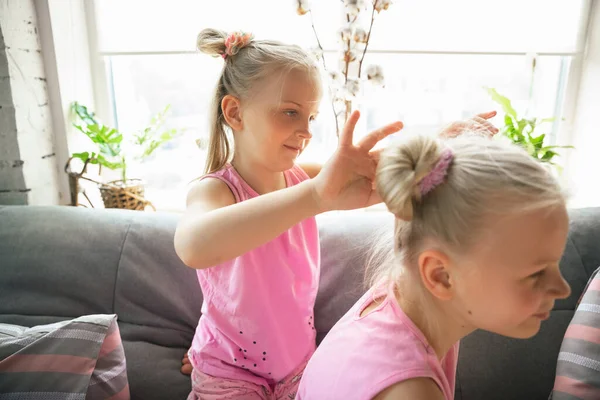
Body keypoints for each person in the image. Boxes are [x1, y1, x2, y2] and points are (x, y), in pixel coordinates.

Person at [174, 28, 403, 400]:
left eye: (310, 117)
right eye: (290, 112)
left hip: (299, 368)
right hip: (229, 374)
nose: (306, 131)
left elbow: (384, 169)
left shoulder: (303, 176)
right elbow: (192, 247)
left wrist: (441, 148)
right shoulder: (216, 189)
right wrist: (313, 197)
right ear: (234, 113)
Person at [296, 132, 572, 400]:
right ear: (440, 275)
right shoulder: (408, 391)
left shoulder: (398, 300)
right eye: (536, 274)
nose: (563, 289)